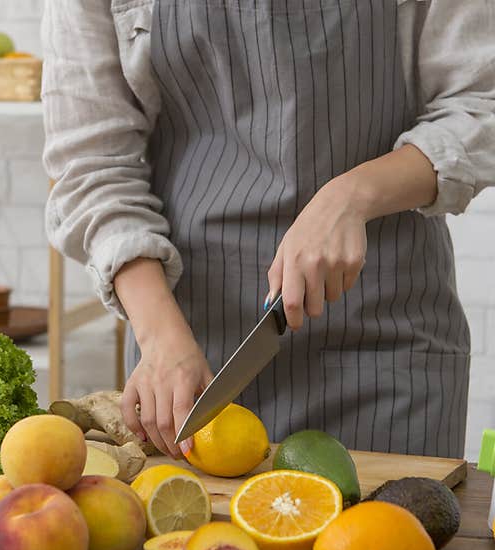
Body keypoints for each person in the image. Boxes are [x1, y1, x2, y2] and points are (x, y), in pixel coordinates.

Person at [41, 0, 495, 461]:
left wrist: (353, 196)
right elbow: (92, 161)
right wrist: (160, 337)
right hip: (191, 360)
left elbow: (480, 104)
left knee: (389, 533)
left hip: (390, 343)